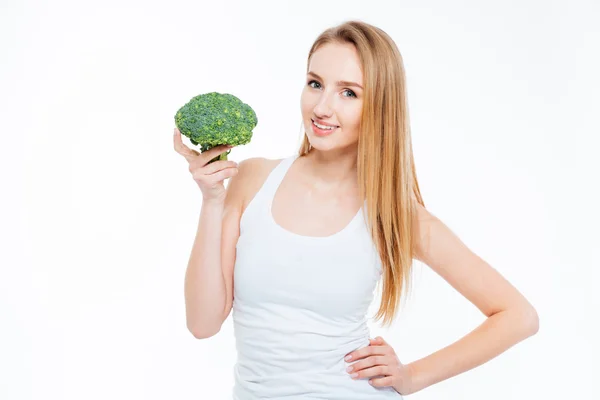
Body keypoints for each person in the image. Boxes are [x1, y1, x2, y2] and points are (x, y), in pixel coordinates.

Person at [174, 20, 539, 399]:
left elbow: (518, 316)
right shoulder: (253, 178)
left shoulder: (394, 214)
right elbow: (202, 323)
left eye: (348, 93)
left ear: (379, 106)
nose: (322, 107)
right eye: (315, 83)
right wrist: (212, 199)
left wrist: (413, 376)